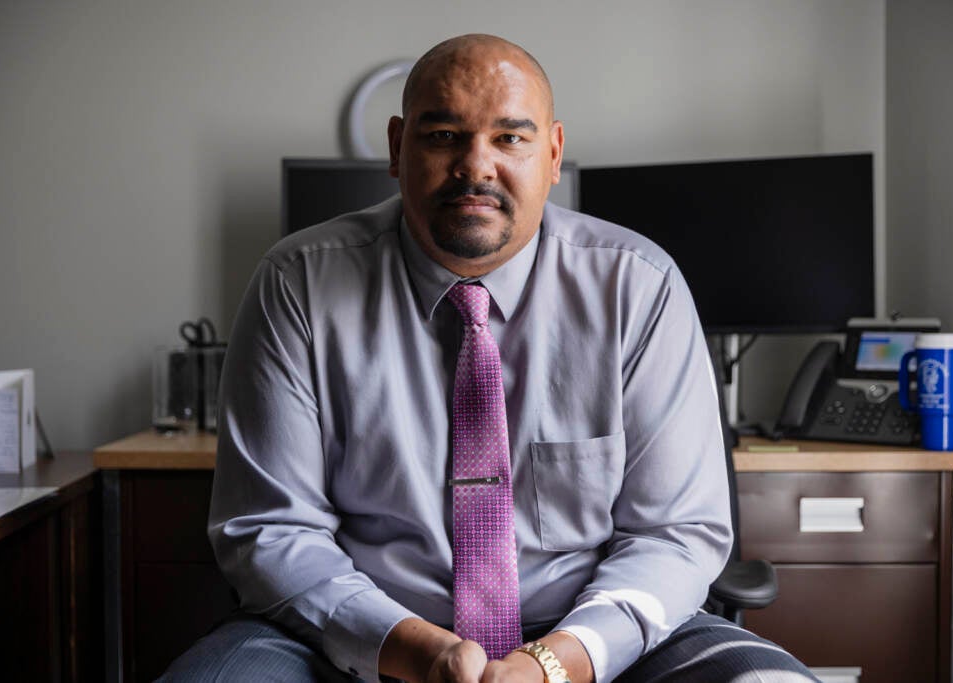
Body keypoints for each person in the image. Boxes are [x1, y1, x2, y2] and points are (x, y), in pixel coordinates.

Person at [163, 33, 817, 683]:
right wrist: (417, 648)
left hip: (593, 634)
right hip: (359, 635)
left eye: (510, 138)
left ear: (553, 153)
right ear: (397, 147)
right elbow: (274, 530)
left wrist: (554, 662)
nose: (476, 166)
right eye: (444, 135)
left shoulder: (638, 286)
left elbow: (675, 534)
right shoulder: (296, 283)